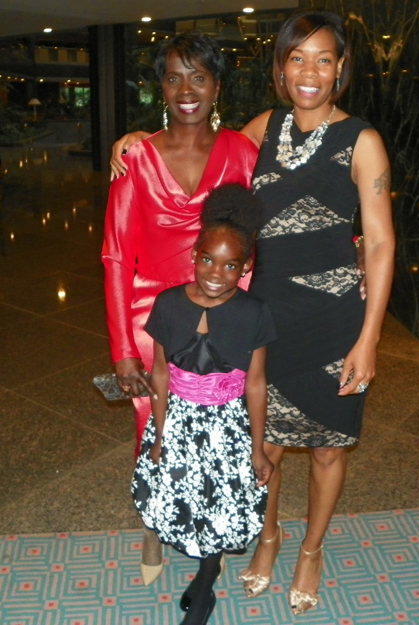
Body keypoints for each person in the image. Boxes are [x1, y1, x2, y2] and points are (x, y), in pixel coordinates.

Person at [110, 9, 394, 616]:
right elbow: (201, 140)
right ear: (280, 69)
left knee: (325, 447)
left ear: (341, 67)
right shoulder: (263, 129)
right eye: (297, 58)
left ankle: (311, 551)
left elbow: (380, 242)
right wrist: (133, 138)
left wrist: (369, 338)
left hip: (334, 316)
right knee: (260, 441)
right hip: (263, 313)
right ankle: (268, 537)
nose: (309, 71)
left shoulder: (363, 140)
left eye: (323, 58)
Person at [102, 32, 258, 585]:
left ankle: (209, 520)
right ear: (160, 88)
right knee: (157, 427)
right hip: (154, 318)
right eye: (173, 77)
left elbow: (249, 241)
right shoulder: (137, 157)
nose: (185, 89)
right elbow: (117, 257)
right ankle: (153, 525)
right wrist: (124, 349)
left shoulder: (241, 150)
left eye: (199, 77)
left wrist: (243, 321)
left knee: (216, 426)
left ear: (217, 86)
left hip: (222, 308)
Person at [131, 184, 276, 625]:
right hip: (178, 417)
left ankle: (207, 578)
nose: (217, 272)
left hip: (229, 424)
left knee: (223, 499)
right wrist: (158, 433)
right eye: (208, 259)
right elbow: (158, 372)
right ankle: (199, 563)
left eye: (231, 265)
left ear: (245, 266)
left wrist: (256, 449)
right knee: (182, 494)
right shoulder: (169, 304)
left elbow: (255, 383)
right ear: (194, 255)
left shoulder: (254, 311)